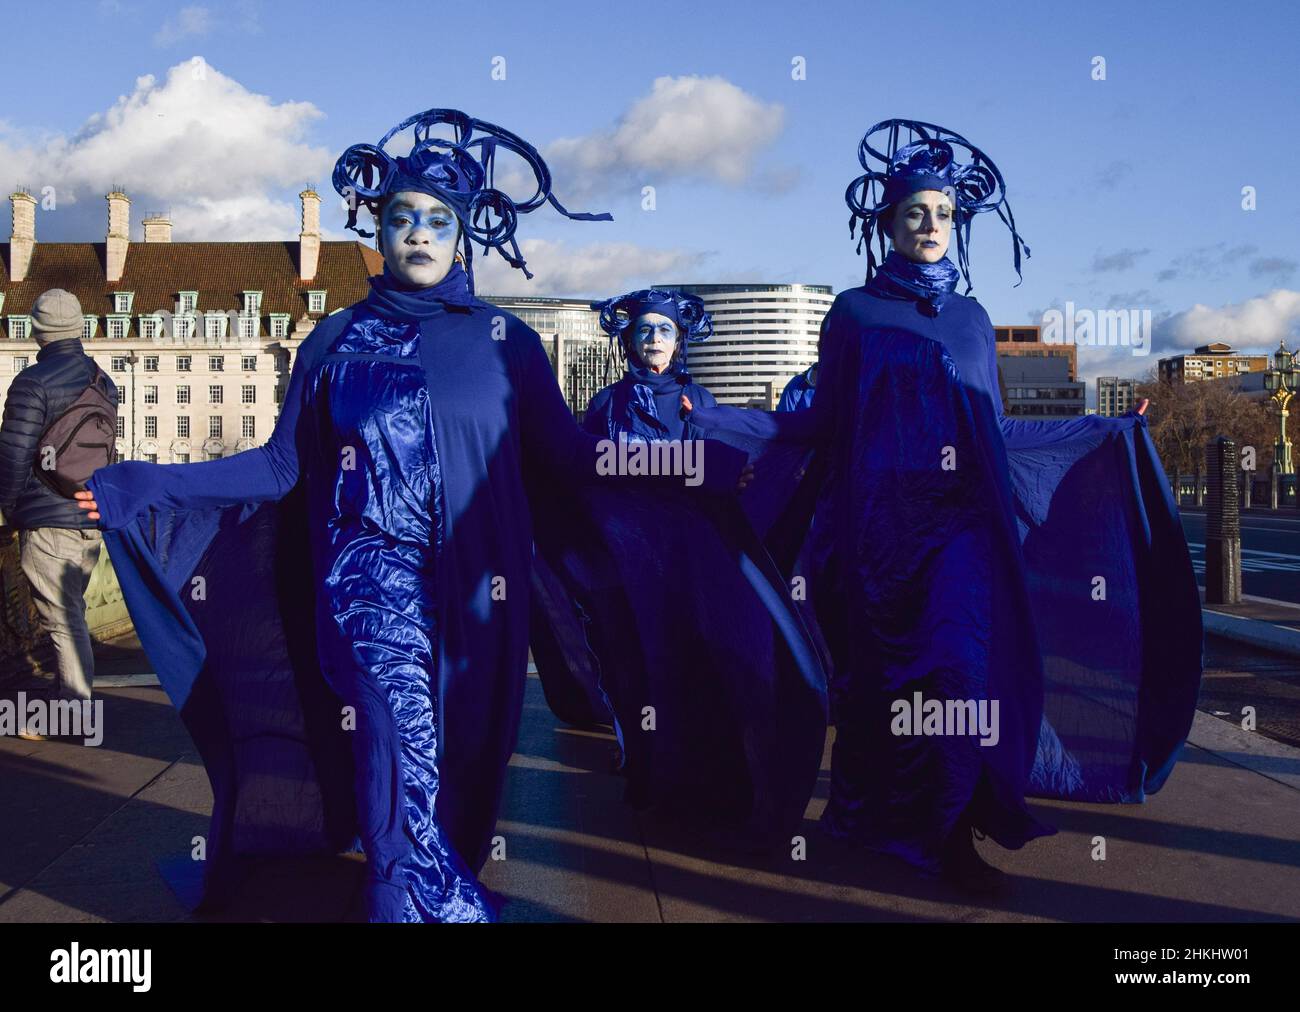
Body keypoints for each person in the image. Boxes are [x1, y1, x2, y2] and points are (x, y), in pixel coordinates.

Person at [75, 108, 751, 922]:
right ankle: (396, 896)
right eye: (403, 218)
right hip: (365, 578)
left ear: (462, 237)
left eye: (438, 220)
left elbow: (574, 458)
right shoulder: (336, 338)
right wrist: (149, 482)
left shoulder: (508, 342)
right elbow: (281, 466)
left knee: (464, 756)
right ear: (381, 230)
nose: (420, 233)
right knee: (392, 728)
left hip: (481, 589)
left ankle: (429, 879)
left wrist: (688, 464)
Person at [682, 119, 1202, 894]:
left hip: (962, 526)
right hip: (879, 533)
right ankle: (879, 817)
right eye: (916, 213)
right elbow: (821, 423)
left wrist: (1106, 429)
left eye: (945, 214)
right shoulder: (854, 313)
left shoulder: (971, 319)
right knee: (887, 686)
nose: (931, 226)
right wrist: (721, 420)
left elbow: (992, 427)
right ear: (887, 224)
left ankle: (953, 835)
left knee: (961, 670)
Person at [529, 287, 828, 843]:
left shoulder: (700, 399)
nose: (653, 339)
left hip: (688, 555)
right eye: (644, 329)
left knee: (694, 664)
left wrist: (730, 467)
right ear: (628, 340)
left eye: (664, 330)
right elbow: (586, 469)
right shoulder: (606, 403)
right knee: (633, 662)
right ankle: (647, 766)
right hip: (626, 554)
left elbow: (735, 458)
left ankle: (703, 779)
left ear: (680, 340)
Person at [0, 289, 113, 717]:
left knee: (64, 623)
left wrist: (11, 510)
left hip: (48, 520)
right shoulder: (103, 381)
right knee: (72, 615)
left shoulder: (33, 382)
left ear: (37, 330)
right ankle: (72, 702)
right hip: (89, 517)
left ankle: (75, 714)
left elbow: (12, 456)